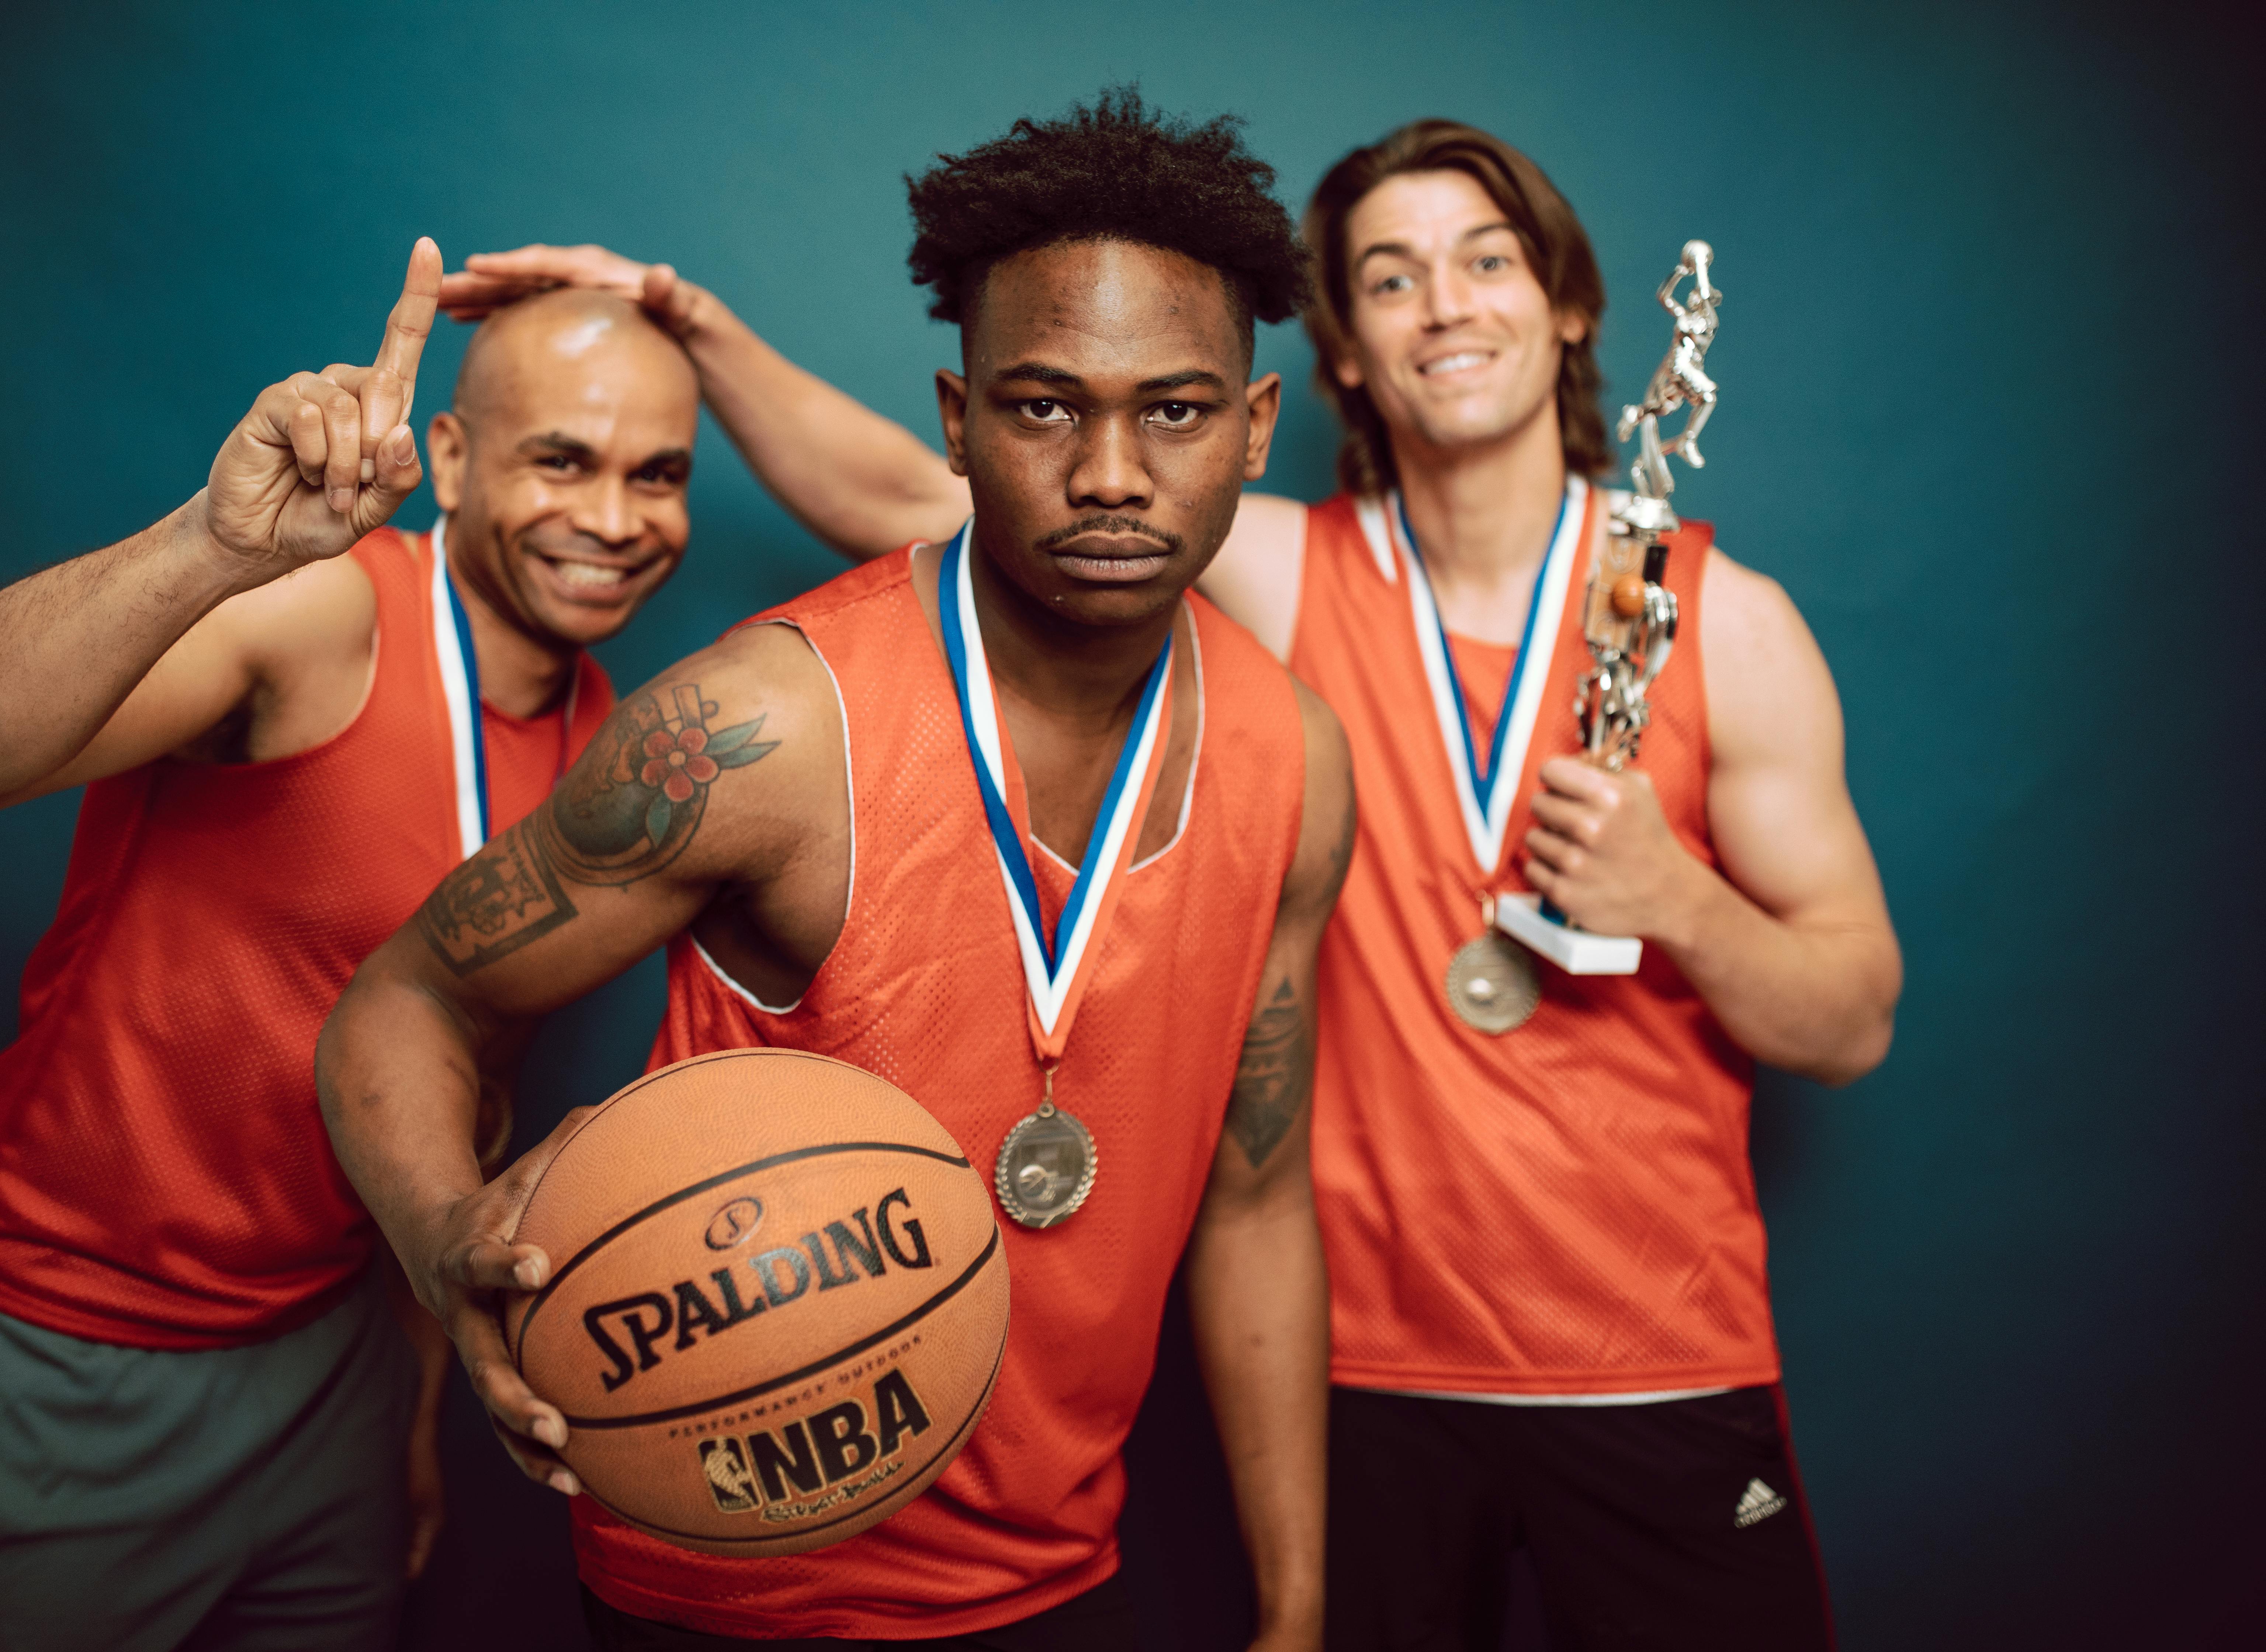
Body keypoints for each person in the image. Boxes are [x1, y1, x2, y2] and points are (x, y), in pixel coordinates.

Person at [450, 114, 1903, 1650]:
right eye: (1392, 278)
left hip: (1653, 1349)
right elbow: (942, 492)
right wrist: (682, 321)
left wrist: (1673, 894)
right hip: (1372, 1374)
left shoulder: (1718, 623)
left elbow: (1852, 1018)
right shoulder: (1269, 567)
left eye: (1488, 261)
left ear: (1569, 305)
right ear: (1341, 354)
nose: (1449, 304)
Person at [319, 90, 1351, 1651]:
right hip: (724, 1588)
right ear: (955, 420)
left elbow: (1257, 1199)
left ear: (1258, 428)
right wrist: (442, 1229)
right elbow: (398, 1002)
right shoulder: (764, 730)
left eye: (1179, 411)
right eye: (1045, 406)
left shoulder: (1294, 758)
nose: (1113, 474)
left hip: (1066, 1579)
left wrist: (1294, 1603)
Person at [0, 240, 704, 1651]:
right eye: (562, 459)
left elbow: (468, 1087)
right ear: (454, 452)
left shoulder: (605, 738)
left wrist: (413, 1402)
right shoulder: (325, 616)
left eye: (656, 474)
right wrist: (211, 552)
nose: (612, 517)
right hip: (81, 1338)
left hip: (336, 1362)